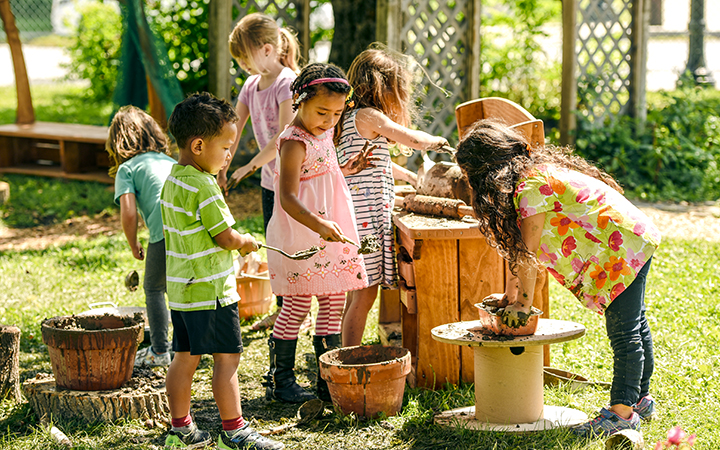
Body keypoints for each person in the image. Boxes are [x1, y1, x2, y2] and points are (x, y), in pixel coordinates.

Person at [455, 119, 661, 438]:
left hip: (623, 244)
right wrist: (510, 299)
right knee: (634, 323)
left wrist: (523, 303)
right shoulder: (530, 176)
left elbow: (527, 254)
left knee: (624, 330)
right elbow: (519, 250)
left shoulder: (529, 187)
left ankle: (622, 413)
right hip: (629, 237)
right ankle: (641, 400)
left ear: (485, 171)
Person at [161, 92, 283, 450]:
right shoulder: (205, 186)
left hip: (182, 292)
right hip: (212, 293)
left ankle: (180, 428)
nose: (230, 155)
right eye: (226, 147)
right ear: (198, 145)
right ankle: (235, 430)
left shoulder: (174, 179)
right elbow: (225, 236)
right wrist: (246, 240)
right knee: (228, 358)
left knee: (184, 358)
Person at [264, 63, 376, 403]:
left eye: (337, 114)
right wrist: (319, 225)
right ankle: (280, 380)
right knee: (296, 306)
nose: (329, 120)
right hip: (303, 232)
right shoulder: (293, 141)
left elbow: (320, 173)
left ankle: (328, 381)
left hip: (329, 228)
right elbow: (287, 197)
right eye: (322, 112)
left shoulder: (322, 132)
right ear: (299, 100)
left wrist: (346, 168)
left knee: (333, 298)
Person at [336, 47, 449, 347]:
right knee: (366, 293)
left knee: (358, 292)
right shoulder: (369, 115)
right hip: (366, 223)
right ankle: (349, 356)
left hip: (356, 220)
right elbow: (409, 138)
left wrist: (410, 178)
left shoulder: (348, 118)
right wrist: (438, 141)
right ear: (379, 88)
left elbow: (375, 165)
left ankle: (345, 350)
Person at [219, 12, 309, 333]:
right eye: (238, 57)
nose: (242, 62)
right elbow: (234, 127)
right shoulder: (251, 84)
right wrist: (223, 165)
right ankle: (285, 308)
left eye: (245, 55)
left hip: (294, 180)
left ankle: (297, 309)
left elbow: (285, 134)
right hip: (270, 181)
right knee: (275, 242)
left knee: (294, 243)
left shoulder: (287, 82)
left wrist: (249, 165)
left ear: (268, 49)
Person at [106, 105, 175, 367]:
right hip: (191, 229)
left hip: (163, 233)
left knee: (154, 288)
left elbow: (129, 212)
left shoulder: (128, 169)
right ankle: (183, 349)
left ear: (118, 141)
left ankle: (159, 351)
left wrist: (133, 242)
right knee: (180, 290)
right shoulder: (169, 161)